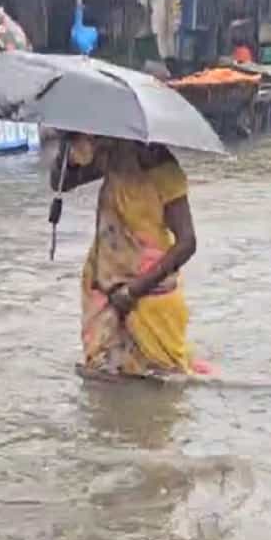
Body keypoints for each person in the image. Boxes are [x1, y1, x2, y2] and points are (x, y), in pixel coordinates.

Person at [49, 133, 199, 378]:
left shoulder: (164, 169)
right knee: (101, 381)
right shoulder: (113, 157)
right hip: (105, 286)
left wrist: (134, 290)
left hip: (150, 293)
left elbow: (187, 242)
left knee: (162, 384)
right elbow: (60, 183)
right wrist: (68, 150)